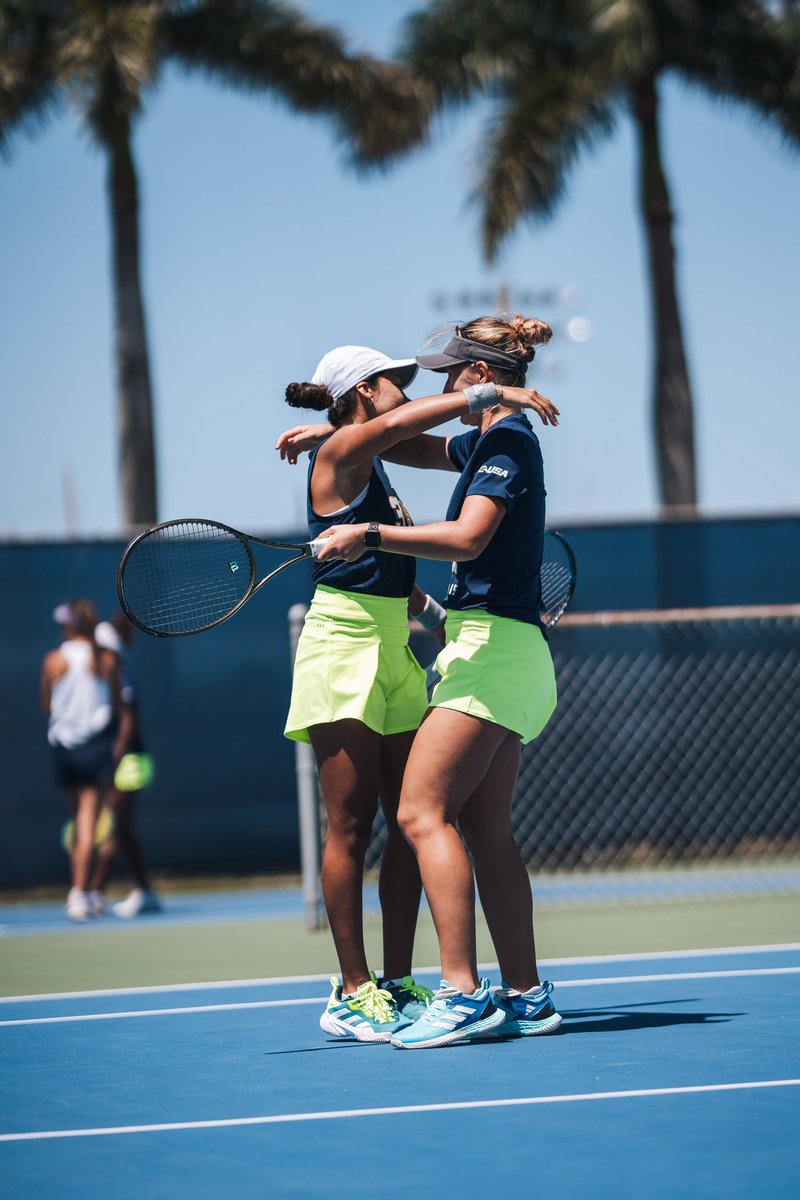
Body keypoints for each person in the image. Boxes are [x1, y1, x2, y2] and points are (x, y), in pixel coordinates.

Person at [278, 342, 557, 1043]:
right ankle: (353, 988)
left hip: (397, 651)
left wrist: (434, 620)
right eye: (398, 382)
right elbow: (392, 437)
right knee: (353, 825)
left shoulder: (364, 454)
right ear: (365, 393)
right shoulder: (347, 454)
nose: (409, 388)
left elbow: (410, 456)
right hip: (340, 651)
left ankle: (401, 981)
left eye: (420, 380)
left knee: (413, 822)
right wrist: (488, 397)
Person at [41, 599, 129, 921]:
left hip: (66, 750)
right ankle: (84, 892)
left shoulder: (53, 661)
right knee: (87, 820)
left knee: (81, 819)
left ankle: (82, 892)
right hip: (92, 749)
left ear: (70, 625)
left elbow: (47, 707)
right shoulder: (106, 660)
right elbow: (119, 709)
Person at [91, 612, 161, 919]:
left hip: (130, 762)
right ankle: (140, 890)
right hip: (126, 761)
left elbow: (129, 720)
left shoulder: (118, 670)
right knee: (120, 830)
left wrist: (115, 757)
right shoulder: (111, 672)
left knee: (118, 829)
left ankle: (94, 891)